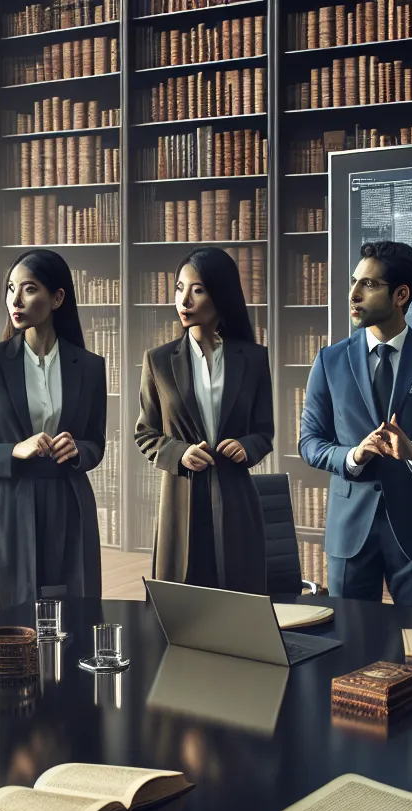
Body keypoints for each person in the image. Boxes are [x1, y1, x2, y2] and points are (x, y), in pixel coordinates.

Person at [298, 240, 412, 609]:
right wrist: (352, 456)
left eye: (368, 285)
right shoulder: (329, 361)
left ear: (401, 295)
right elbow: (310, 442)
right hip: (349, 531)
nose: (353, 294)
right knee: (347, 642)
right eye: (353, 282)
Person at [0, 249, 107, 611]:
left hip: (70, 499)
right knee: (13, 610)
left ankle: (69, 668)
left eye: (29, 289)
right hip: (9, 500)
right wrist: (12, 450)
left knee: (74, 609)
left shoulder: (89, 367)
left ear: (57, 298)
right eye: (11, 289)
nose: (15, 300)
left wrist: (79, 451)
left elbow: (96, 442)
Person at [134, 246, 274, 592]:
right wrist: (178, 453)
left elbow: (264, 431)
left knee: (239, 599)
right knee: (182, 604)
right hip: (181, 500)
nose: (185, 300)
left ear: (220, 293)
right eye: (180, 288)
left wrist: (247, 446)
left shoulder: (253, 359)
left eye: (197, 290)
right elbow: (145, 433)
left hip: (235, 496)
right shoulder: (159, 361)